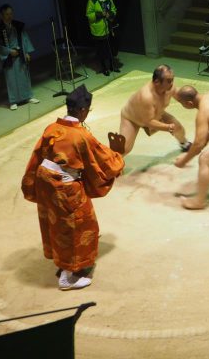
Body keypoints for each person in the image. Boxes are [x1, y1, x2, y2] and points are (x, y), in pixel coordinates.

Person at [21, 85, 125, 290]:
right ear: (83, 111)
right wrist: (118, 155)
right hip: (64, 187)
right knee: (77, 225)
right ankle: (68, 276)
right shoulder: (81, 135)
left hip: (45, 181)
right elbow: (102, 162)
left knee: (56, 222)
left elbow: (37, 155)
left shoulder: (52, 128)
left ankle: (62, 262)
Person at [119, 64, 191, 155]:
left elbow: (179, 96)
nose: (172, 83)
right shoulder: (146, 96)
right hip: (132, 118)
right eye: (169, 81)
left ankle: (184, 143)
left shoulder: (169, 87)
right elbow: (148, 121)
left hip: (156, 113)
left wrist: (189, 101)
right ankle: (111, 165)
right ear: (157, 81)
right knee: (124, 148)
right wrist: (167, 127)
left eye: (172, 80)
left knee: (178, 128)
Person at [0, 4, 40, 111]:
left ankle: (28, 96)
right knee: (11, 79)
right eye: (7, 14)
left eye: (11, 13)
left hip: (20, 53)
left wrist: (26, 51)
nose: (9, 16)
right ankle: (13, 101)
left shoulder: (17, 25)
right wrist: (9, 51)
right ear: (2, 15)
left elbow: (24, 38)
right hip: (8, 56)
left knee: (24, 76)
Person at [86, 0, 118, 76]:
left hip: (108, 28)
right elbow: (89, 15)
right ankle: (104, 68)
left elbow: (114, 9)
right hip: (98, 30)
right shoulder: (92, 1)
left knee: (111, 49)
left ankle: (112, 66)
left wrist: (110, 14)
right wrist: (100, 14)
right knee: (101, 51)